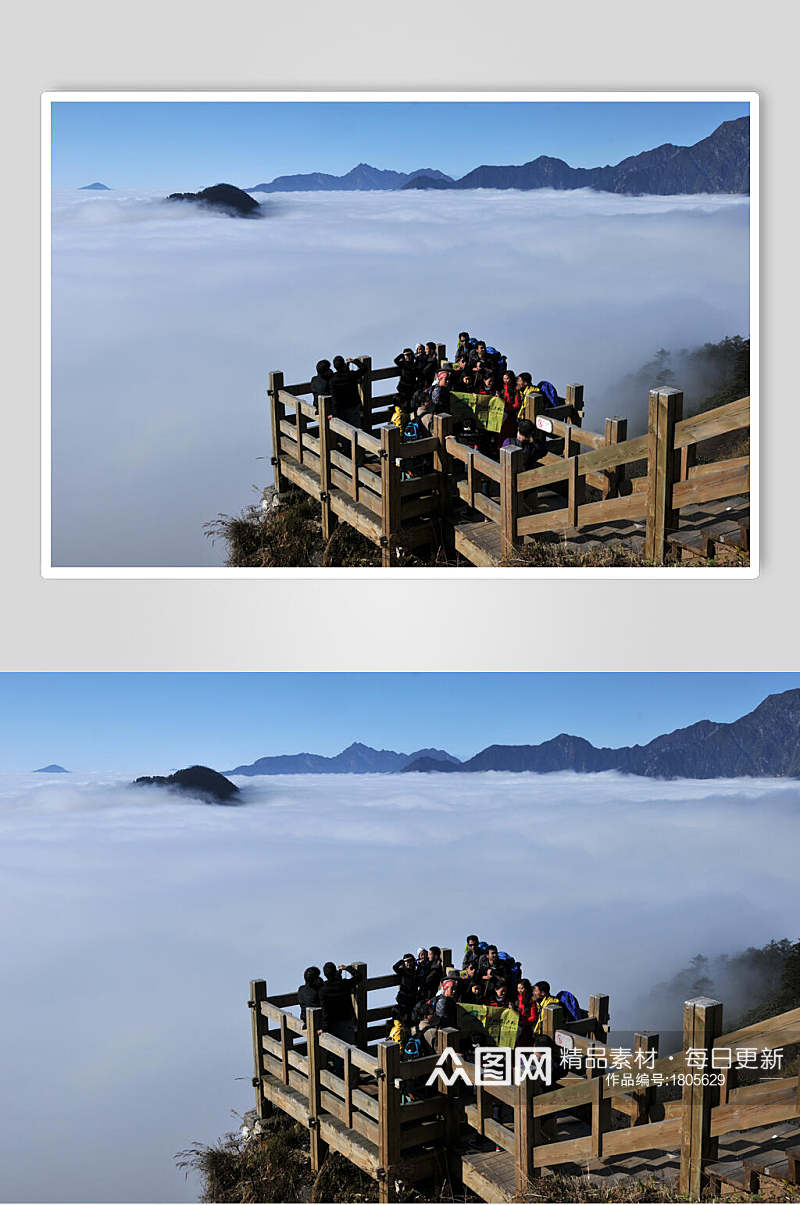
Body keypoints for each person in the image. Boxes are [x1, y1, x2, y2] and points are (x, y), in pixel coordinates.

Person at [318, 962, 361, 1045]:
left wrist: (324, 1028)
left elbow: (325, 1011)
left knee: (336, 1051)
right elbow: (359, 977)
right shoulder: (344, 984)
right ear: (335, 972)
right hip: (347, 1020)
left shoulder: (323, 990)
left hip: (333, 1023)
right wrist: (347, 968)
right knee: (350, 1048)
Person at [329, 355, 364, 427]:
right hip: (354, 406)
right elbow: (364, 368)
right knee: (356, 429)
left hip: (342, 408)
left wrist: (334, 414)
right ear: (344, 364)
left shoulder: (333, 380)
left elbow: (334, 399)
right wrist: (354, 361)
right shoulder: (351, 375)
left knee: (344, 430)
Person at [515, 978, 538, 1045]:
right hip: (519, 1023)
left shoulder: (531, 1000)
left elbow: (533, 1017)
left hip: (526, 1026)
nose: (519, 990)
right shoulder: (518, 997)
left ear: (526, 988)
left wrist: (523, 1022)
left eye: (521, 988)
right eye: (518, 988)